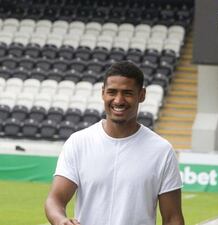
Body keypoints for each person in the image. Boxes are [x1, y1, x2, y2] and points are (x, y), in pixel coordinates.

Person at [45, 61, 184, 225]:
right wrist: (61, 220)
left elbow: (172, 217)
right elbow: (55, 200)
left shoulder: (162, 150)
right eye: (112, 92)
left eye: (127, 93)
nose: (118, 100)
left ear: (142, 95)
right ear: (103, 93)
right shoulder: (78, 143)